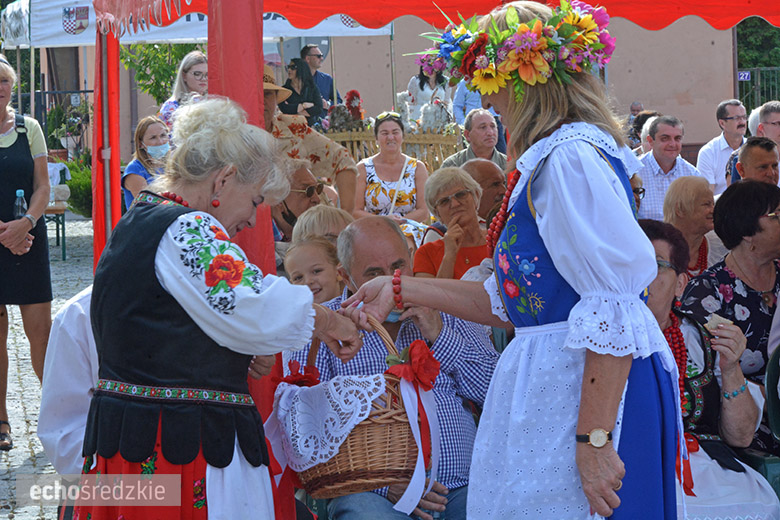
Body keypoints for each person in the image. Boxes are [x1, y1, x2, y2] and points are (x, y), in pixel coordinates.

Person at [343, 3, 679, 518]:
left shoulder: (568, 158)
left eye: (490, 84)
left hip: (583, 392)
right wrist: (402, 289)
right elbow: (516, 302)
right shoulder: (556, 157)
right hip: (559, 379)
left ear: (525, 82)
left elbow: (612, 304)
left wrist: (593, 440)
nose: (486, 100)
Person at [73, 98, 362, 519]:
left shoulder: (145, 217)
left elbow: (177, 322)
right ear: (223, 180)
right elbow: (250, 306)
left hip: (144, 435)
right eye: (256, 199)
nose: (252, 218)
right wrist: (329, 319)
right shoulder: (187, 226)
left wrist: (234, 350)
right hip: (179, 444)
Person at [287, 216, 498, 520]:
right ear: (346, 277)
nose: (391, 282)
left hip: (461, 487)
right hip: (372, 494)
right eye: (374, 274)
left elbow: (495, 392)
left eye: (399, 268)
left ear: (412, 256)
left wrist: (440, 334)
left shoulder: (446, 310)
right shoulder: (327, 327)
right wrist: (383, 486)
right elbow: (305, 429)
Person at [639, 219, 780, 520]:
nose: (639, 274)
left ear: (680, 284)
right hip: (632, 463)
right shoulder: (601, 334)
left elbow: (741, 437)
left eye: (655, 264)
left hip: (703, 466)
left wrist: (731, 369)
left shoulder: (703, 336)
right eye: (632, 261)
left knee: (756, 506)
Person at [680, 180, 780, 452]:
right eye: (777, 215)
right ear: (748, 230)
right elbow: (703, 378)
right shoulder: (708, 292)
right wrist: (768, 397)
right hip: (741, 423)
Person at [0, 54, 51, 452]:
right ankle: (1, 421)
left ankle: (55, 413)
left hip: (29, 238)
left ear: (12, 86)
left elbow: (42, 186)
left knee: (41, 335)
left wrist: (25, 225)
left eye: (3, 80)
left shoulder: (28, 128)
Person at [263, 64, 358, 215]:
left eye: (267, 94)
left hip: (308, 223)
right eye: (255, 93)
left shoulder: (293, 128)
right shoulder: (232, 136)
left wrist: (345, 216)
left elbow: (343, 160)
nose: (261, 100)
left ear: (276, 99)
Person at [354, 112, 429, 229]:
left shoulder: (417, 168)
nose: (390, 137)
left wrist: (399, 222)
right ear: (376, 138)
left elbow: (424, 211)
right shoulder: (363, 168)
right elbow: (355, 211)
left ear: (402, 136)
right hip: (374, 229)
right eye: (384, 133)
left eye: (395, 132)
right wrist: (383, 221)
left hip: (408, 230)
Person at [414, 168, 487, 279]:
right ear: (437, 213)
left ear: (475, 196)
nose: (455, 204)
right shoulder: (426, 254)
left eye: (460, 194)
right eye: (444, 201)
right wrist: (449, 255)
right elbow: (431, 295)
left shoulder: (499, 240)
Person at [635, 115, 703, 221]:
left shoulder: (692, 175)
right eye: (665, 138)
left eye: (677, 139)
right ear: (650, 141)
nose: (672, 144)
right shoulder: (635, 173)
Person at [662, 176, 716, 276]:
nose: (713, 210)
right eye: (706, 204)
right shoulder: (658, 250)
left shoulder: (719, 246)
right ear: (680, 209)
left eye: (713, 204)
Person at [697, 99, 747, 195]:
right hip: (721, 207)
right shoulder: (708, 153)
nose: (742, 122)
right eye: (737, 118)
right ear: (722, 123)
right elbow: (707, 194)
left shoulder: (753, 149)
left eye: (744, 117)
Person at [122, 116, 169, 210]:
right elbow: (148, 206)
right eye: (153, 138)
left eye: (163, 135)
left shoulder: (171, 166)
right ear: (141, 144)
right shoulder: (135, 169)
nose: (160, 142)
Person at [271, 159, 323, 243]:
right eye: (308, 191)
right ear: (279, 199)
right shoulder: (259, 238)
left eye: (318, 189)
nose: (317, 199)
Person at [441, 108, 507, 169]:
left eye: (493, 126)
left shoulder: (508, 166)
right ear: (467, 135)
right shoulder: (452, 166)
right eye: (483, 127)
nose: (490, 132)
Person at [452, 81, 507, 154]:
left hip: (493, 122)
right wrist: (463, 122)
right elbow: (457, 105)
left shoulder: (493, 79)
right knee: (473, 155)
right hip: (473, 123)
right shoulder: (464, 83)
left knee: (501, 154)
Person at [158, 50, 207, 131]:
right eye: (197, 74)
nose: (204, 79)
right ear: (184, 76)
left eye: (207, 74)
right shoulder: (171, 107)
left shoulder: (212, 102)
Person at [284, 237, 343, 304]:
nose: (308, 281)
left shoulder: (354, 309)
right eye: (298, 278)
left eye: (316, 271)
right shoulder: (292, 313)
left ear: (339, 272)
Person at [278, 58, 324, 127]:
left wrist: (299, 112)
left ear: (301, 69)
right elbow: (284, 108)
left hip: (311, 127)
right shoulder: (284, 89)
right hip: (292, 127)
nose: (289, 70)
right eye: (288, 67)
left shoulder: (312, 87)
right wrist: (303, 105)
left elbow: (319, 108)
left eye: (293, 67)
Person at [301, 44, 341, 108]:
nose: (322, 58)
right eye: (318, 56)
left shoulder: (327, 79)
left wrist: (327, 104)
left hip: (323, 117)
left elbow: (338, 101)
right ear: (308, 59)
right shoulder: (296, 79)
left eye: (322, 56)